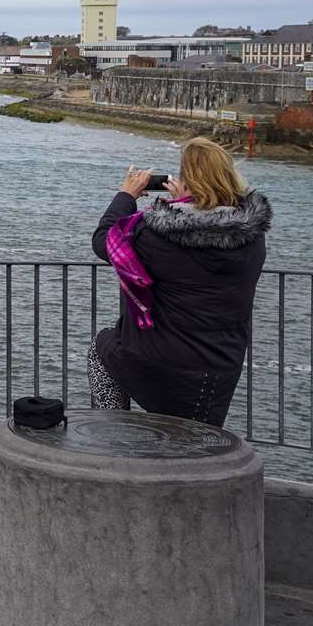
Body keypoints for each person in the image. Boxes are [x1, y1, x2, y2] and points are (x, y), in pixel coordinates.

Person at [89, 137, 271, 427]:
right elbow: (205, 224)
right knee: (194, 438)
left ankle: (112, 434)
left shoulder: (158, 234)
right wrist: (183, 203)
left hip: (161, 362)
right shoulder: (252, 236)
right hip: (219, 368)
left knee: (102, 350)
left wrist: (126, 195)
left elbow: (104, 241)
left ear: (189, 181)